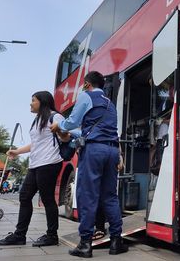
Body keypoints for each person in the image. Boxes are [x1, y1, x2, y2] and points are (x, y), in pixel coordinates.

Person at [51, 71, 127, 258]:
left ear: (86, 84)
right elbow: (104, 130)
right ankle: (116, 241)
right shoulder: (110, 103)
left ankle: (85, 244)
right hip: (111, 150)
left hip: (94, 151)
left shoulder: (86, 95)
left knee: (87, 195)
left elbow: (72, 123)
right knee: (110, 196)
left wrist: (58, 126)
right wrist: (119, 154)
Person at [0, 91, 64, 247]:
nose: (30, 103)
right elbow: (36, 144)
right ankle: (20, 235)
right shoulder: (37, 120)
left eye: (33, 100)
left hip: (49, 163)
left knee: (47, 199)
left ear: (42, 102)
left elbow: (65, 137)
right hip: (35, 164)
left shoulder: (56, 117)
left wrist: (61, 130)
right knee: (25, 196)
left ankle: (52, 236)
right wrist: (18, 151)